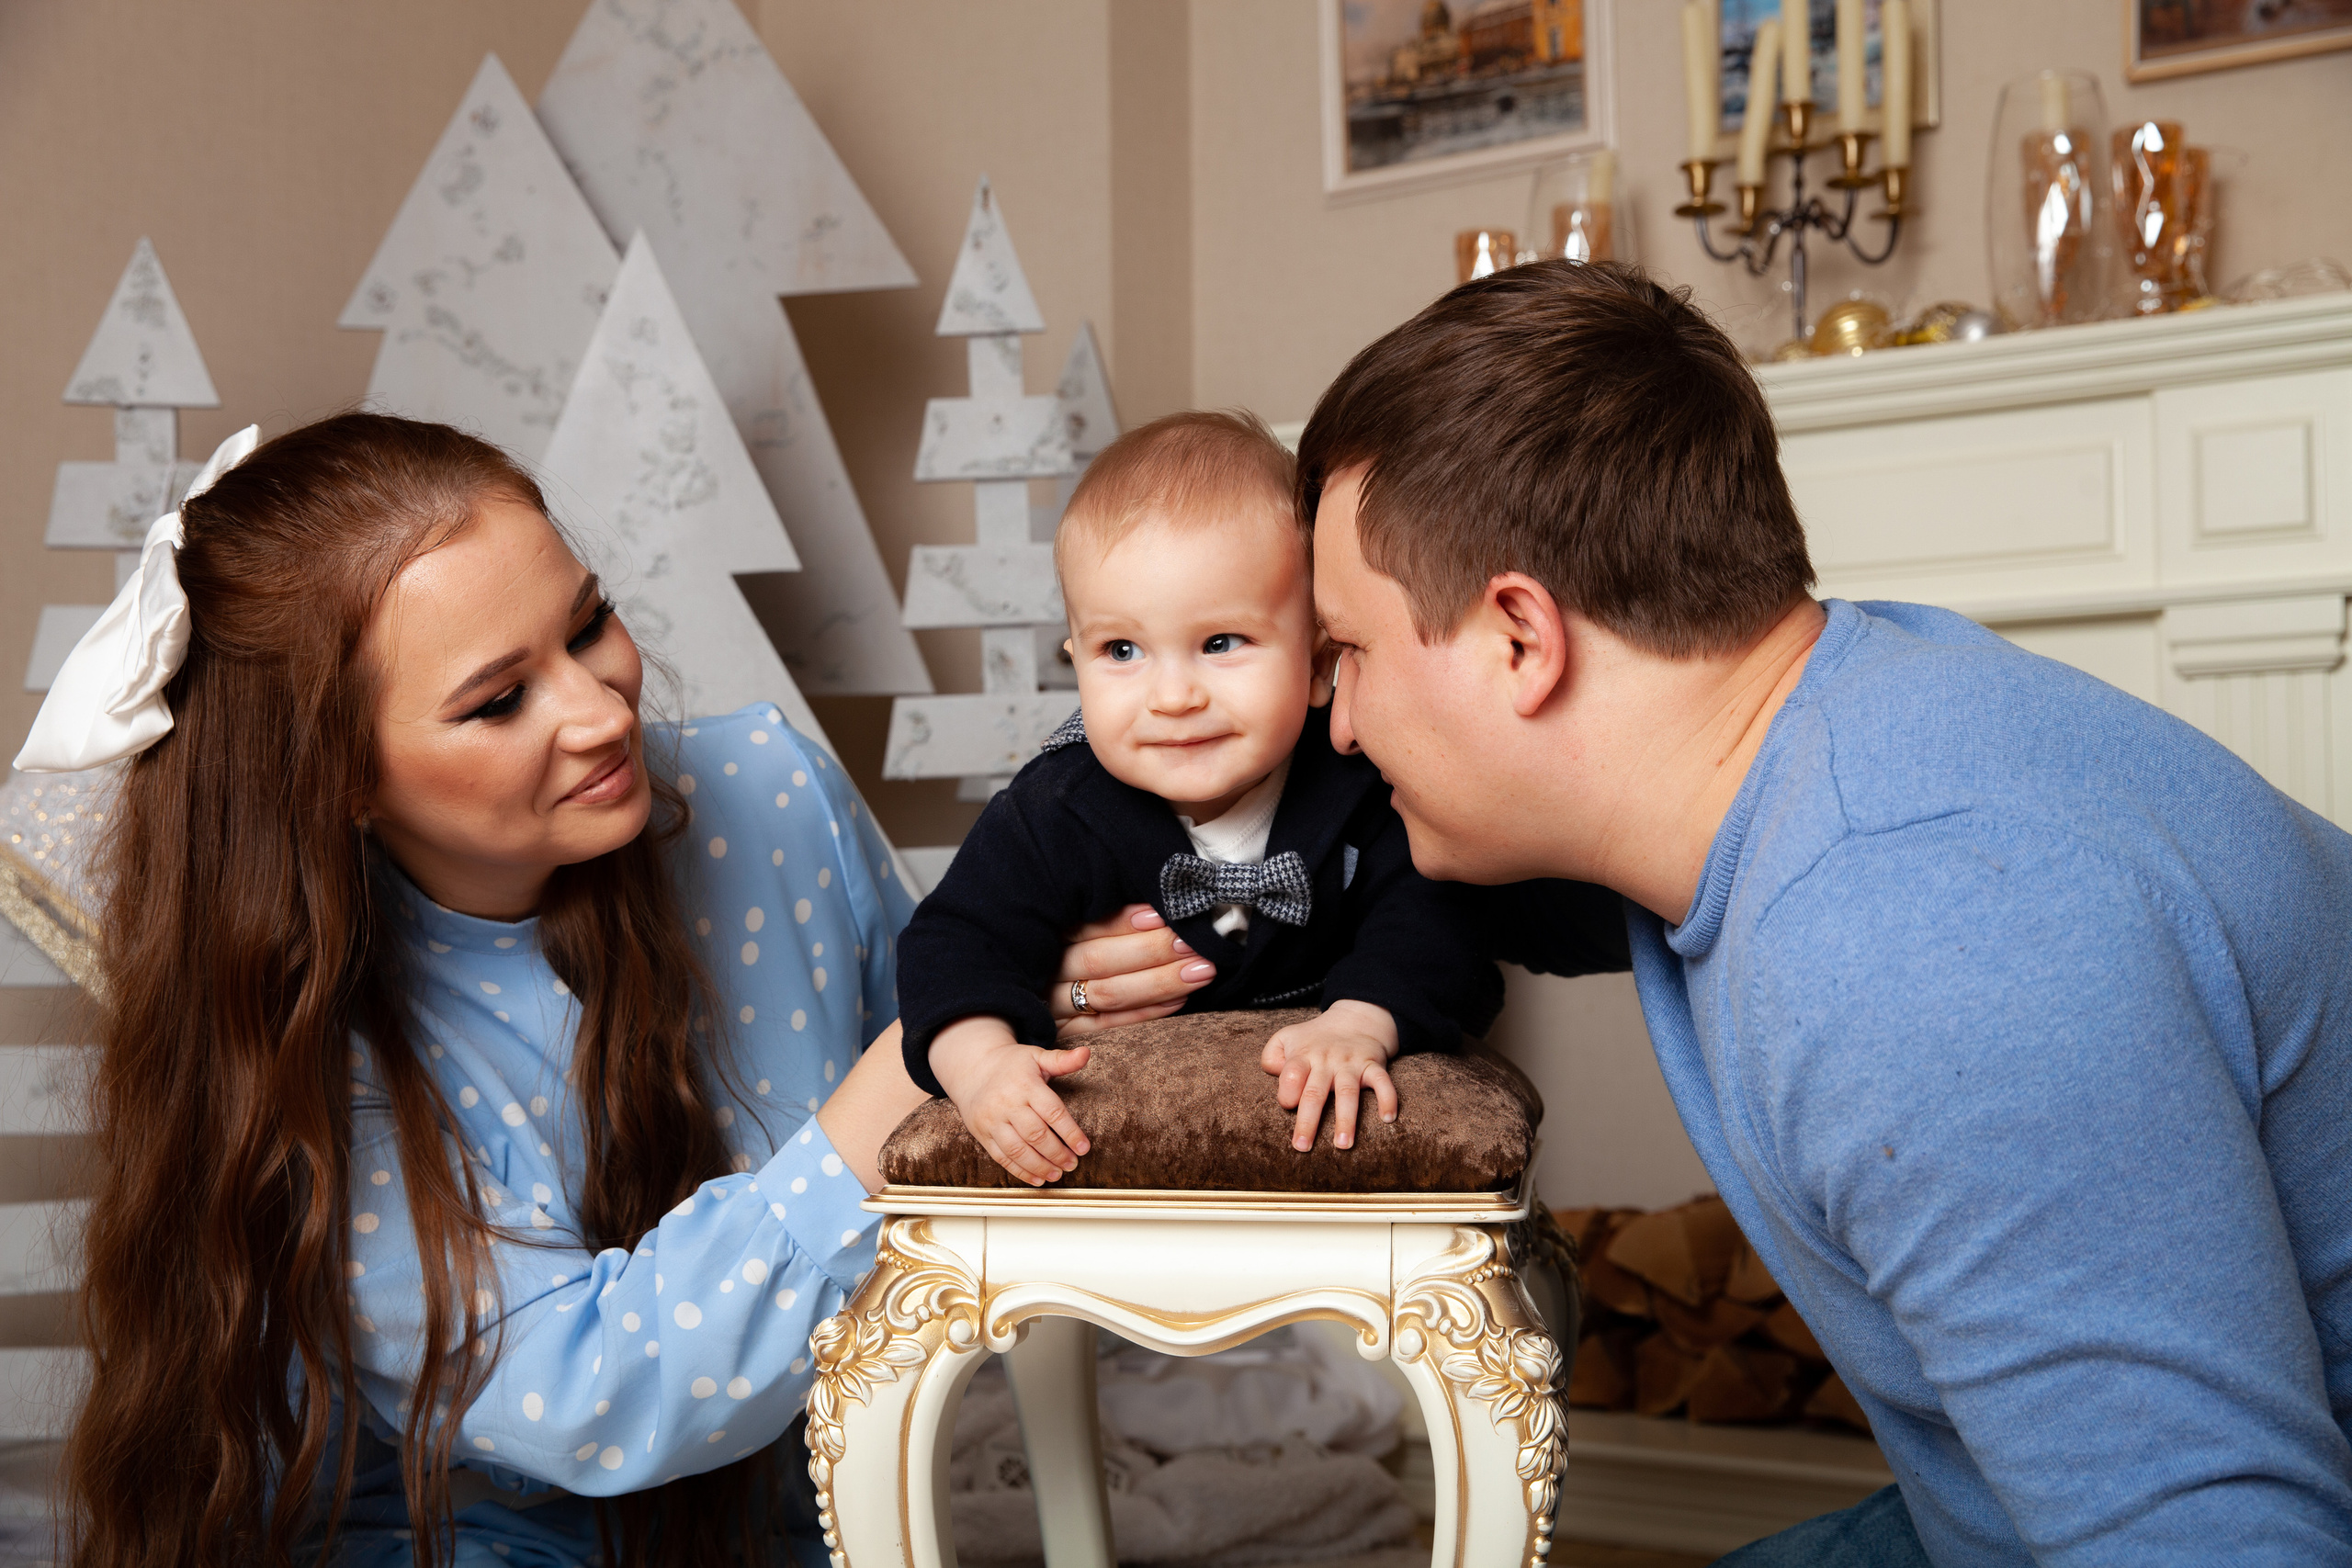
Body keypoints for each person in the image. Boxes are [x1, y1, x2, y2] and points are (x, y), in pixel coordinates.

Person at [1067, 261, 2352, 1565]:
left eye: (1349, 655)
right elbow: (1387, 893)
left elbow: (2220, 1538)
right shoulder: (1827, 726)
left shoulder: (1914, 928)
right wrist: (1130, 939)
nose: (1335, 722)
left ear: (1520, 634)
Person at [17, 413, 933, 1568]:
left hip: (781, 1514)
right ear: (343, 779)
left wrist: (1051, 990)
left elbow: (964, 1135)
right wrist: (918, 1058)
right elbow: (595, 1392)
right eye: (499, 702)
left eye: (589, 624)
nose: (602, 713)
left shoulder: (770, 792)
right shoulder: (311, 1042)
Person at [897, 412, 1501, 1185]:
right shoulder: (1056, 806)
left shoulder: (1360, 784)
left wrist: (1361, 1020)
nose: (1173, 695)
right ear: (1074, 659)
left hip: (1316, 1041)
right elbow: (952, 943)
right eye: (1122, 651)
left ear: (1319, 661)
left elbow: (1434, 923)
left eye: (1221, 643)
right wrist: (982, 1063)